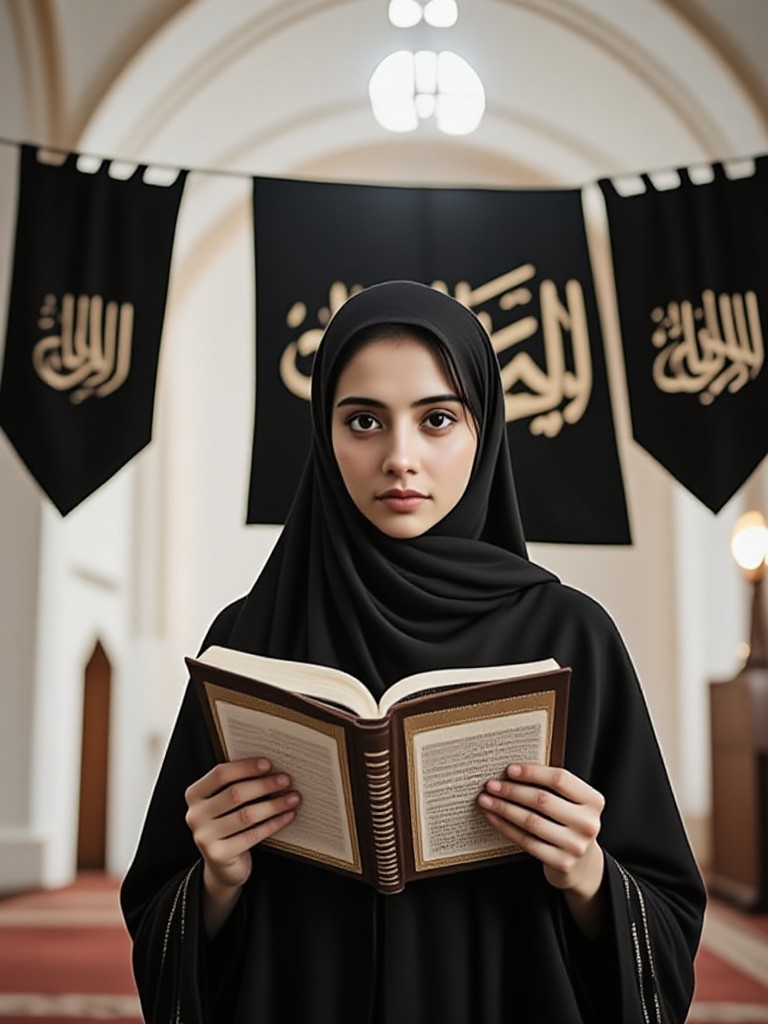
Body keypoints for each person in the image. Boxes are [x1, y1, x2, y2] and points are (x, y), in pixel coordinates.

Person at [121, 280, 706, 1024]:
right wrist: (217, 879)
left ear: (484, 428)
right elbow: (158, 921)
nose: (400, 458)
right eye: (363, 419)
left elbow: (668, 926)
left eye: (437, 419)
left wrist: (587, 873)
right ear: (323, 435)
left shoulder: (572, 637)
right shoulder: (248, 639)